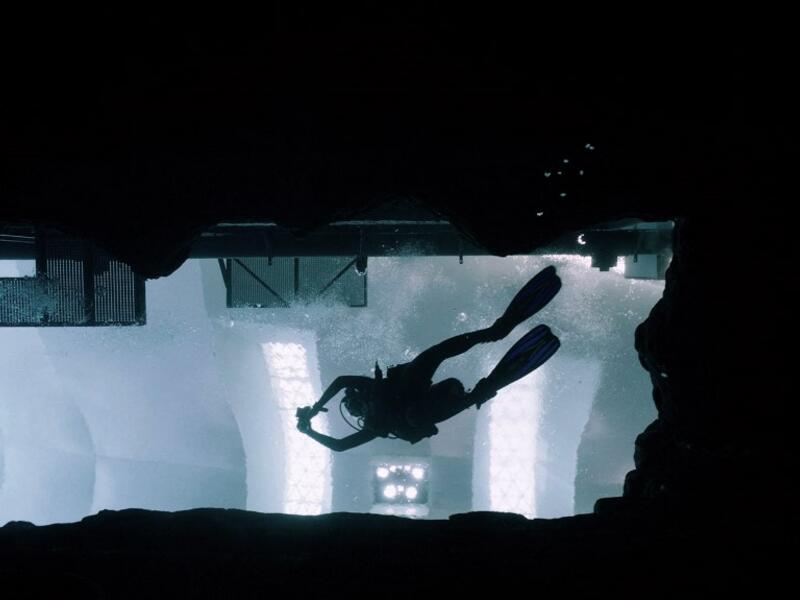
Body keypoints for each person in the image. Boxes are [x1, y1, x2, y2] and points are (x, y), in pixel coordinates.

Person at [296, 265, 562, 451]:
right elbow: (340, 445)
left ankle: (495, 335)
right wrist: (311, 427)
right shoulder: (375, 425)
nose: (356, 409)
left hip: (416, 385)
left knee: (436, 356)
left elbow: (342, 383)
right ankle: (485, 380)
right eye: (354, 410)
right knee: (426, 395)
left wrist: (316, 410)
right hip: (426, 402)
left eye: (352, 404)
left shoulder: (370, 395)